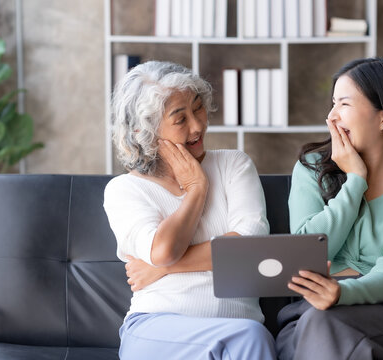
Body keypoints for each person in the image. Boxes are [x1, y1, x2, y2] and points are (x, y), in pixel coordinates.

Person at [275, 57, 383, 360]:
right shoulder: (311, 169)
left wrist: (342, 292)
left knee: (324, 328)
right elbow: (306, 251)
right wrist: (355, 182)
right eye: (332, 104)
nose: (331, 117)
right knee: (320, 325)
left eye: (343, 104)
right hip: (308, 315)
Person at [103, 60, 276, 360]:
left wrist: (164, 269)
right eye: (180, 119)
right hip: (156, 329)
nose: (198, 125)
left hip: (236, 330)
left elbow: (252, 248)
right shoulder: (124, 190)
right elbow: (164, 249)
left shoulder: (234, 165)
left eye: (198, 108)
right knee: (250, 338)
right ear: (145, 132)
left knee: (247, 337)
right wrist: (196, 189)